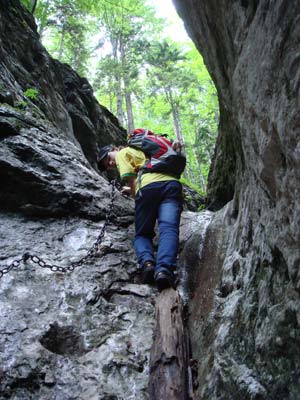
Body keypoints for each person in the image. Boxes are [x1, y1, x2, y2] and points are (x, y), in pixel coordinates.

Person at [97, 138, 183, 291]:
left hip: (149, 188)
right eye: (107, 165)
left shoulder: (122, 153)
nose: (110, 163)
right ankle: (164, 270)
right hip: (171, 185)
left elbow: (132, 180)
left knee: (142, 234)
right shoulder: (144, 151)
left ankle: (147, 264)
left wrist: (133, 192)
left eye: (108, 158)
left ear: (115, 149)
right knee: (169, 229)